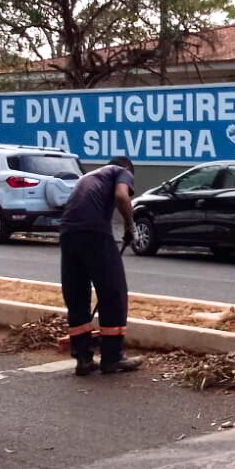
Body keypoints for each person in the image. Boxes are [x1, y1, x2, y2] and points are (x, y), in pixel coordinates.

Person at [59, 156, 140, 376]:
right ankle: (112, 358)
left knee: (76, 295)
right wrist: (131, 227)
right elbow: (121, 197)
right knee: (113, 292)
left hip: (68, 233)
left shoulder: (87, 177)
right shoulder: (121, 171)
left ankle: (83, 358)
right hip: (94, 232)